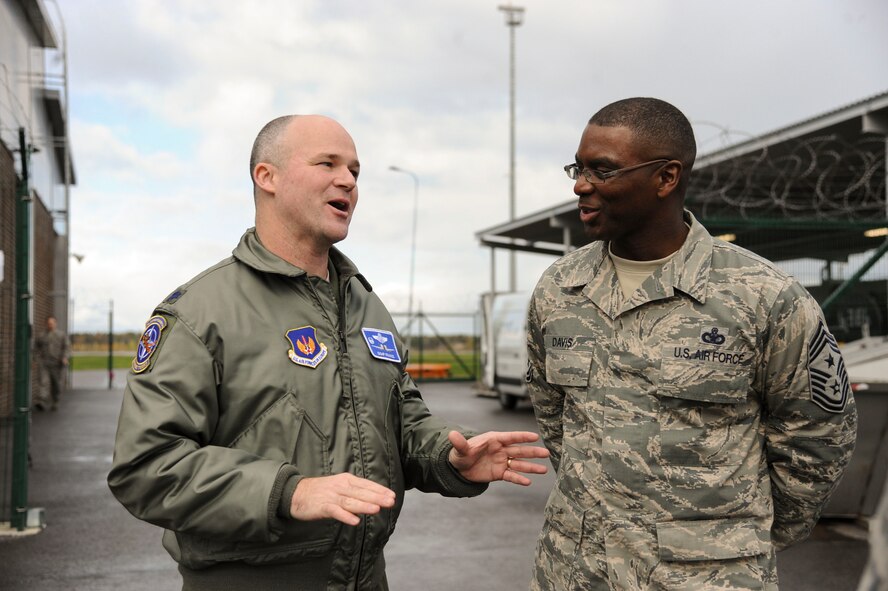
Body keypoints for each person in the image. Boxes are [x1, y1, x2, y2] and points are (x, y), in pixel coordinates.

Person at [107, 114, 549, 590]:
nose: (348, 181)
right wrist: (286, 492)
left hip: (363, 578)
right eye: (328, 163)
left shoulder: (365, 304)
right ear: (267, 176)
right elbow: (147, 466)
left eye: (355, 171)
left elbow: (402, 421)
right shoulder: (201, 312)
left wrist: (449, 455)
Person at [526, 97, 857, 590]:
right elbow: (553, 413)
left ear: (667, 178)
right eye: (578, 167)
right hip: (575, 571)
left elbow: (818, 437)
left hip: (706, 577)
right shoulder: (559, 289)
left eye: (603, 170)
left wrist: (737, 539)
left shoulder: (762, 296)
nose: (581, 184)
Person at [34, 316, 70, 411]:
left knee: (56, 384)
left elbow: (66, 347)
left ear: (55, 323)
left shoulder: (61, 335)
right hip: (44, 363)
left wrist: (65, 357)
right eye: (49, 323)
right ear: (46, 324)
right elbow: (36, 348)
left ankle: (55, 401)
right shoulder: (41, 336)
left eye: (52, 323)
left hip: (56, 364)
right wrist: (36, 359)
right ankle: (41, 402)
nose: (50, 325)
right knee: (43, 382)